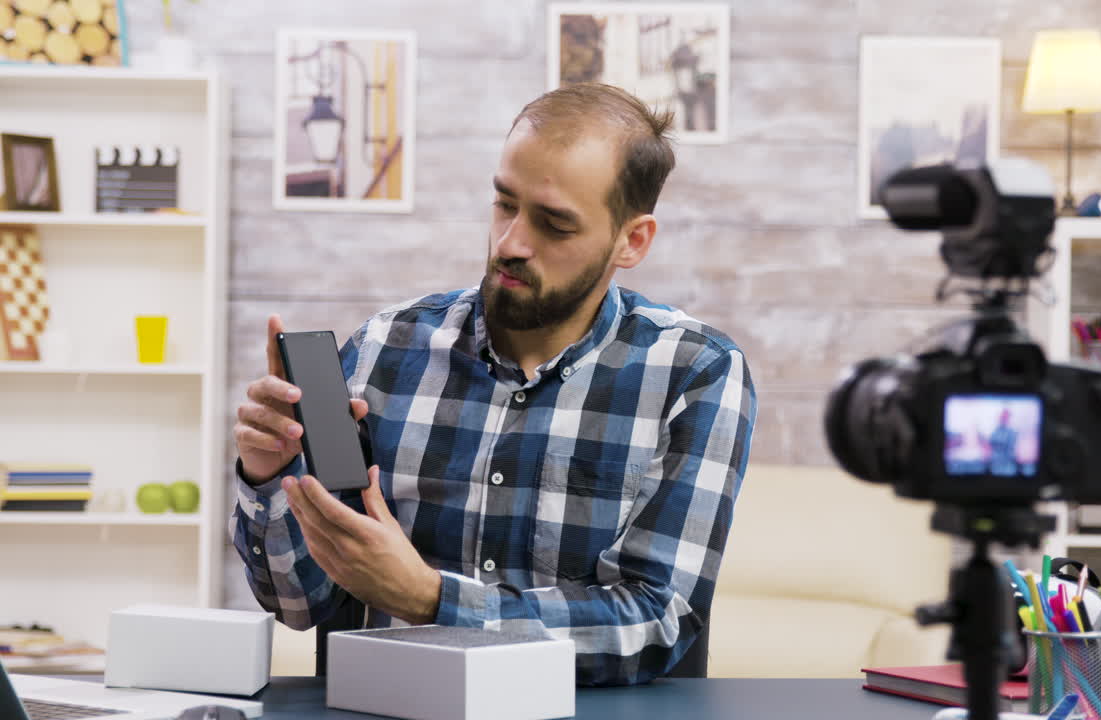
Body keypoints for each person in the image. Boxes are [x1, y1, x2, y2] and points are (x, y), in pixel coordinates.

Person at [228, 83, 756, 686]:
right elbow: (298, 604)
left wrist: (430, 599)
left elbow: (656, 620)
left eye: (555, 225)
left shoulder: (694, 372)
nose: (510, 244)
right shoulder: (384, 348)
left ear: (630, 240)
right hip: (392, 705)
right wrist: (268, 477)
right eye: (505, 204)